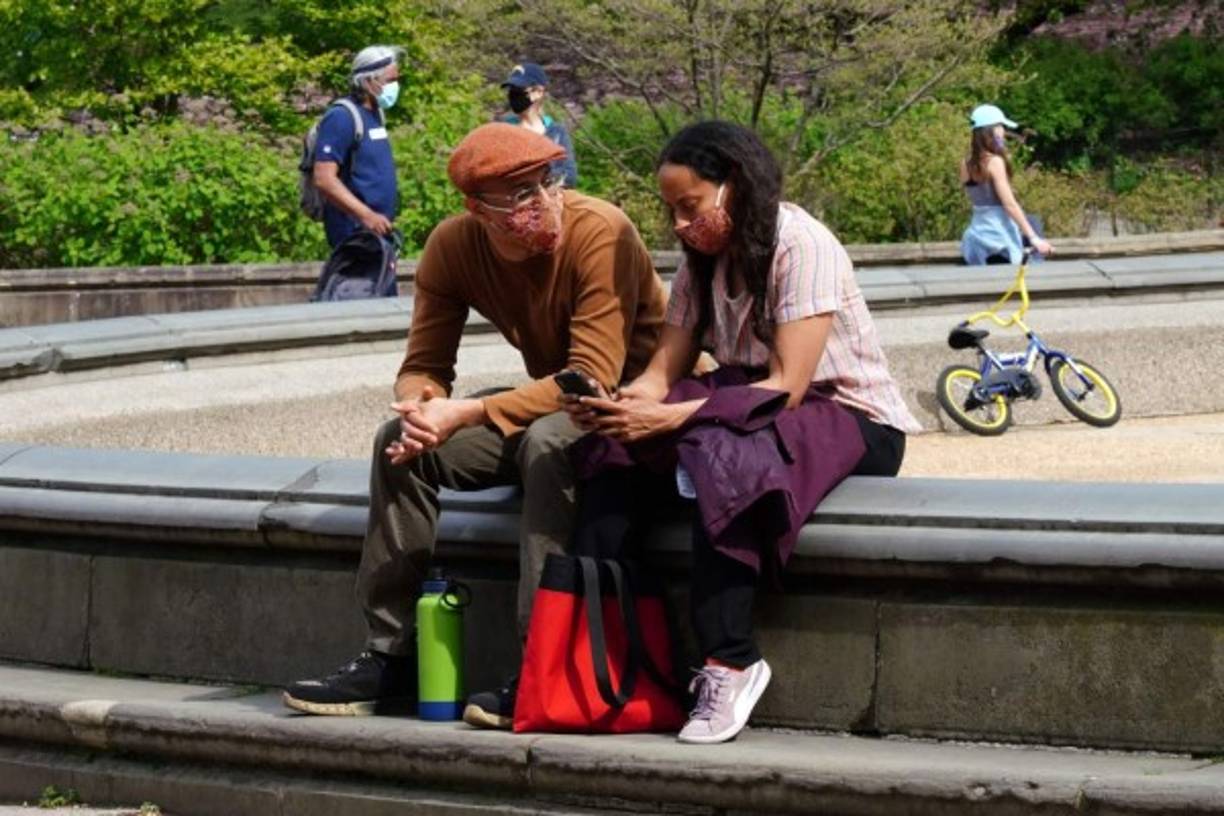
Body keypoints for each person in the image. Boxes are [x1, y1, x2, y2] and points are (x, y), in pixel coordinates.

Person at [283, 122, 668, 724]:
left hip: (634, 405)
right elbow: (424, 365)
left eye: (546, 183)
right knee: (399, 444)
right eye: (519, 196)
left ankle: (541, 664)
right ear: (476, 208)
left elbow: (591, 376)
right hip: (560, 401)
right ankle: (391, 657)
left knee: (547, 443)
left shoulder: (600, 229)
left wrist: (466, 410)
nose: (542, 203)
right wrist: (421, 407)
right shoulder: (453, 247)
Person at [561, 121, 921, 745]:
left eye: (691, 205)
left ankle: (731, 660)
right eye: (672, 210)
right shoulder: (701, 258)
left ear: (734, 184)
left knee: (722, 452)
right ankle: (609, 658)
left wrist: (670, 418)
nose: (681, 224)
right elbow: (662, 371)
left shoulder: (801, 244)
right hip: (745, 398)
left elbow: (787, 386)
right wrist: (621, 407)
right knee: (611, 451)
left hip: (847, 413)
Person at [314, 45, 403, 250]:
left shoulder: (376, 114)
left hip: (377, 232)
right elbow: (323, 178)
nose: (395, 86)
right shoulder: (341, 117)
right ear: (368, 81)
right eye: (390, 81)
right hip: (354, 233)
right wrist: (366, 215)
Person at [959, 104, 1055, 265]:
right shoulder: (994, 162)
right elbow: (1009, 205)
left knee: (1032, 220)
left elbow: (980, 197)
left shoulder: (965, 163)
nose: (1003, 132)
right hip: (999, 238)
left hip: (977, 236)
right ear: (993, 130)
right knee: (1034, 230)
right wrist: (1034, 238)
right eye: (1001, 127)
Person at [500, 61, 578, 188]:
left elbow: (570, 176)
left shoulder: (556, 132)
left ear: (539, 92)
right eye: (511, 90)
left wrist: (537, 178)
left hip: (551, 196)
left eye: (519, 90)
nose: (513, 95)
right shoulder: (504, 130)